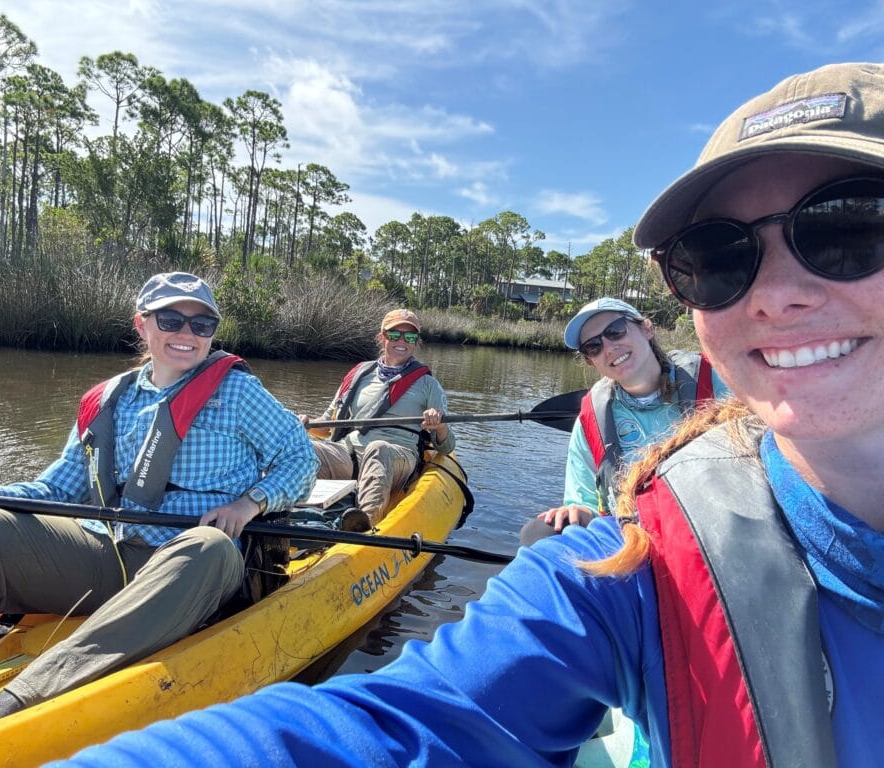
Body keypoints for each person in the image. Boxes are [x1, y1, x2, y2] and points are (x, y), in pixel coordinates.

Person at [53, 62, 884, 767]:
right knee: (333, 455)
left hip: (401, 455)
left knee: (377, 465)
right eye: (716, 258)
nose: (777, 297)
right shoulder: (610, 550)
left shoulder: (434, 388)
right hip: (346, 452)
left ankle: (354, 552)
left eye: (850, 231)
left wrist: (426, 440)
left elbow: (432, 439)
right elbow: (417, 721)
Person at [0, 272, 318, 762]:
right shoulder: (107, 400)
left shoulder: (239, 393)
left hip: (196, 565)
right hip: (111, 556)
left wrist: (247, 504)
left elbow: (300, 458)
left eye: (202, 324)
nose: (187, 333)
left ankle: (12, 709)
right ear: (142, 325)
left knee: (204, 545)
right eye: (171, 319)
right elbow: (57, 489)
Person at [519, 297, 730, 545]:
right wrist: (574, 513)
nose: (608, 347)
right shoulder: (591, 421)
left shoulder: (718, 381)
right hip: (636, 540)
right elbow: (584, 503)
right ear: (591, 361)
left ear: (647, 328)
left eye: (615, 331)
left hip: (716, 532)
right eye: (593, 347)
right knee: (538, 535)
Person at [298, 309, 455, 532]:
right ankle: (284, 517)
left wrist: (439, 425)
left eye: (410, 337)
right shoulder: (358, 374)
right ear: (381, 337)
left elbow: (447, 446)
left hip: (397, 455)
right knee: (305, 449)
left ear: (416, 342)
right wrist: (306, 423)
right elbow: (326, 425)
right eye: (394, 334)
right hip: (350, 454)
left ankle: (364, 526)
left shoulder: (428, 384)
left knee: (378, 449)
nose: (402, 341)